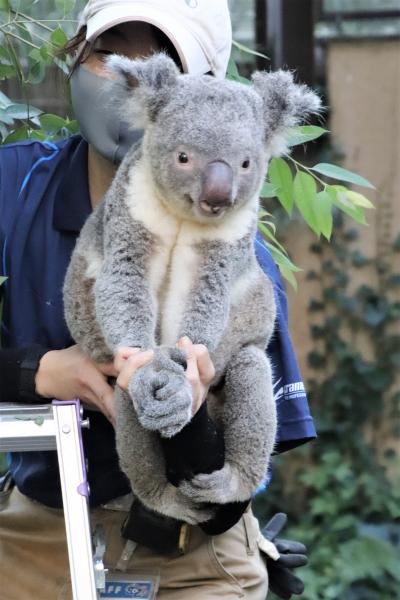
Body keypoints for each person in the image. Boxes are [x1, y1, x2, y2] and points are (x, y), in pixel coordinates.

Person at [0, 1, 316, 598]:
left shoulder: (240, 254)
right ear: (73, 57)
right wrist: (38, 373)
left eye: (164, 57)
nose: (131, 70)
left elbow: (224, 494)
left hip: (190, 550)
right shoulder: (12, 189)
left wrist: (190, 417)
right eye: (110, 49)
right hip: (33, 540)